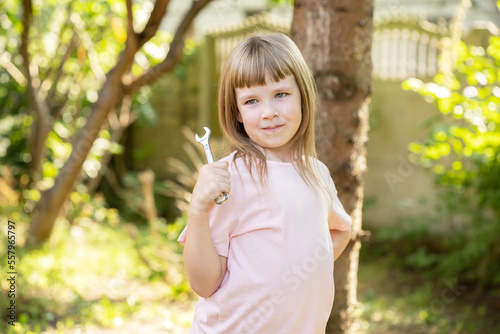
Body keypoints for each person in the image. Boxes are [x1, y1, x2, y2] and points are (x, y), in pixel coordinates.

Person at [178, 33, 352, 333]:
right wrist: (197, 209)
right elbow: (204, 284)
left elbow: (341, 229)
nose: (269, 111)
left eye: (281, 94)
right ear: (237, 112)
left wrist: (301, 275)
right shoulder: (231, 179)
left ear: (303, 96)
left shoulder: (317, 174)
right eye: (252, 100)